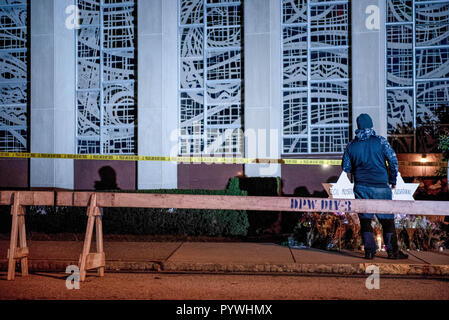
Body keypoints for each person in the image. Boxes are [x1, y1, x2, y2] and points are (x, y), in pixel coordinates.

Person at [342, 113, 408, 260]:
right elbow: (393, 161)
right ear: (371, 125)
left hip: (361, 187)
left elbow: (345, 167)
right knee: (387, 220)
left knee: (365, 220)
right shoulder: (380, 141)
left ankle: (370, 252)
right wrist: (393, 180)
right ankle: (392, 252)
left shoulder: (351, 145)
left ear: (358, 126)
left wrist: (357, 173)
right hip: (381, 187)